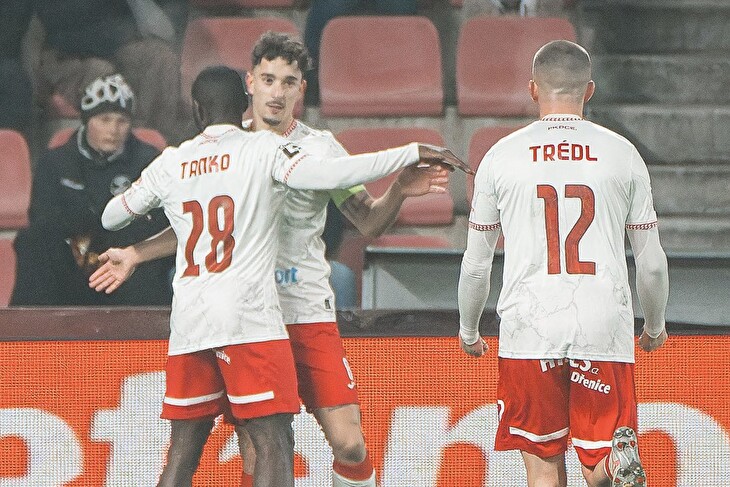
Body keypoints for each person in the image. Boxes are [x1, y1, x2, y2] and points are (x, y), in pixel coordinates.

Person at [91, 32, 453, 487]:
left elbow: (368, 222)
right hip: (252, 316)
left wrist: (398, 189)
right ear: (250, 84)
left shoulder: (319, 147)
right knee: (256, 447)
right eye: (268, 80)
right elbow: (198, 227)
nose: (277, 92)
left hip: (304, 309)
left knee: (349, 444)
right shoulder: (231, 147)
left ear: (302, 89)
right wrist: (136, 252)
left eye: (289, 82)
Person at [457, 40, 669, 487]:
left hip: (530, 327)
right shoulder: (623, 153)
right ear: (589, 90)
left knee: (542, 464)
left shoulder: (500, 156)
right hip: (602, 324)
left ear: (533, 89)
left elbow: (476, 264)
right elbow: (650, 263)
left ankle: (610, 464)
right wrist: (654, 325)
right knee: (596, 460)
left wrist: (469, 329)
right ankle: (611, 464)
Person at [10, 74, 172, 306]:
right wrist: (90, 223)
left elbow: (159, 221)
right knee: (33, 241)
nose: (113, 129)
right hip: (71, 263)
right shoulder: (55, 162)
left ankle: (149, 324)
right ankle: (31, 325)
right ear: (87, 121)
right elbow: (42, 217)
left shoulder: (149, 161)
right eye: (104, 119)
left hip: (126, 263)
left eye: (121, 121)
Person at [33, 0, 191, 143]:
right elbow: (57, 21)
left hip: (116, 42)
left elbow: (164, 29)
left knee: (161, 58)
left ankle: (153, 143)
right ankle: (112, 146)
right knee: (102, 73)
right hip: (65, 54)